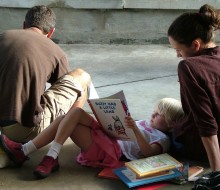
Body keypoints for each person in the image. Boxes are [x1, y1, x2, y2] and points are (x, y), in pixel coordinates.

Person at [0, 97, 184, 179]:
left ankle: (29, 152)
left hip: (112, 151)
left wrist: (134, 128)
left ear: (171, 124)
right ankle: (30, 152)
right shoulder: (145, 123)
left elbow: (148, 152)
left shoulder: (162, 138)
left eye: (159, 115)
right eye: (154, 111)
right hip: (108, 137)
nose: (153, 115)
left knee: (71, 117)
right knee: (70, 116)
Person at [0, 5, 91, 144]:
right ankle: (57, 144)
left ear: (24, 25)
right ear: (51, 32)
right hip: (21, 129)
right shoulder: (56, 52)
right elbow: (64, 92)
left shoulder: (3, 36)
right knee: (82, 77)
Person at [167, 4, 220, 171]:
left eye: (178, 50)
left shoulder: (189, 67)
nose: (177, 55)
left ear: (196, 44)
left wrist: (216, 173)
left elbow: (206, 125)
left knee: (159, 124)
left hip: (200, 147)